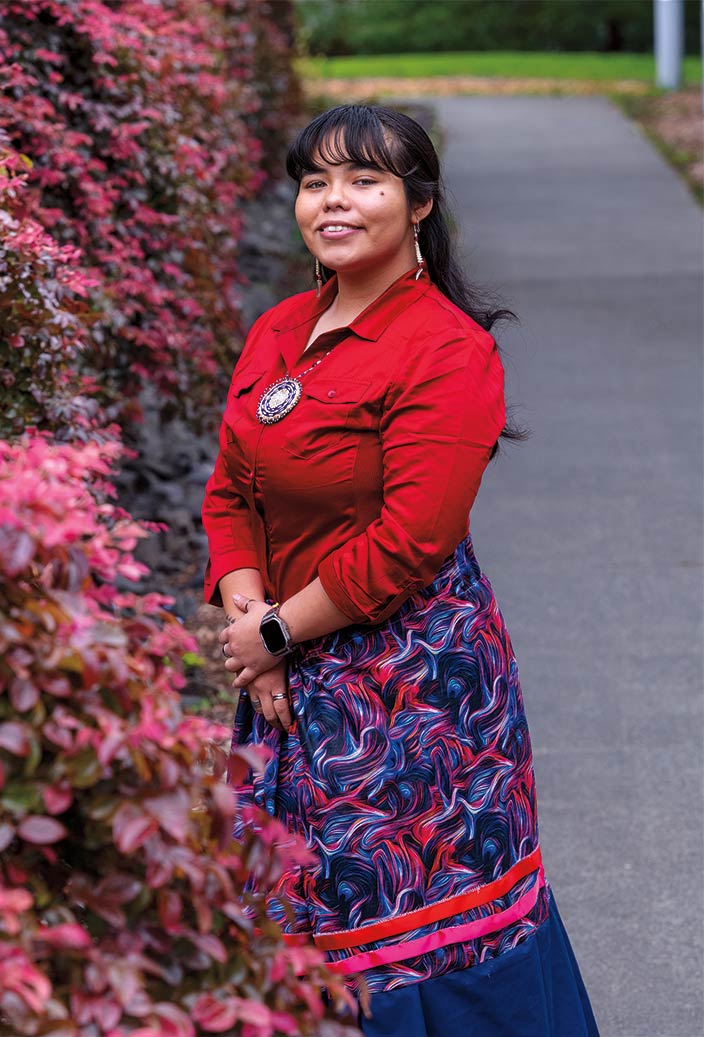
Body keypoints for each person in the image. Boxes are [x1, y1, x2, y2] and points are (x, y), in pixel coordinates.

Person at [202, 103, 600, 1036]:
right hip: (281, 677)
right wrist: (254, 622)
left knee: (418, 930)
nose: (334, 202)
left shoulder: (448, 347)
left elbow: (412, 539)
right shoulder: (276, 331)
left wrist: (270, 633)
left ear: (418, 205)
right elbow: (230, 494)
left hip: (414, 692)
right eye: (316, 182)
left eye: (364, 181)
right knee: (279, 909)